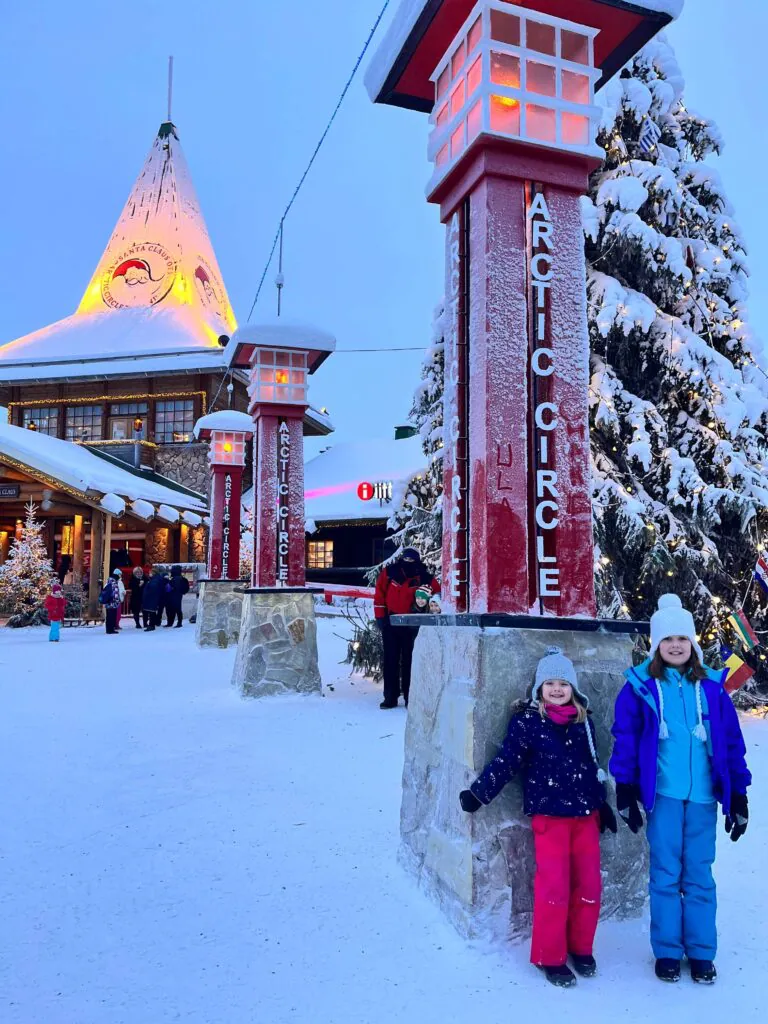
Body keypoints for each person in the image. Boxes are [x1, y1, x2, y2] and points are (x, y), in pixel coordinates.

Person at [610, 594, 752, 986]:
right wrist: (625, 788)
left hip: (705, 798)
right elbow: (625, 738)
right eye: (668, 639)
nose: (676, 645)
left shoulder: (711, 688)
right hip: (666, 797)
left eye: (683, 639)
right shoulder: (640, 688)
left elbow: (730, 742)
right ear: (657, 644)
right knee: (666, 874)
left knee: (700, 875)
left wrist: (738, 793)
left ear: (693, 644)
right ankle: (669, 951)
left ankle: (703, 952)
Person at [459, 646, 617, 989]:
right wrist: (478, 793)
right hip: (551, 818)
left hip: (585, 817)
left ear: (573, 688)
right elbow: (506, 761)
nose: (557, 689)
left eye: (563, 683)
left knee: (589, 884)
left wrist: (600, 803)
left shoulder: (583, 721)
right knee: (554, 887)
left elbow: (592, 766)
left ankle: (580, 946)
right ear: (539, 689)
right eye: (550, 683)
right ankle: (550, 955)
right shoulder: (529, 723)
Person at [373, 547, 439, 709]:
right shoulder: (389, 573)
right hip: (391, 622)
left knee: (411, 660)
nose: (408, 562)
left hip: (414, 625)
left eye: (412, 560)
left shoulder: (425, 577)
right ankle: (390, 696)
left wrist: (433, 611)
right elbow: (379, 594)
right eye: (406, 559)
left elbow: (437, 596)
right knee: (391, 660)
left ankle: (411, 696)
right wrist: (380, 616)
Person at [101, 570, 122, 635]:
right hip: (113, 603)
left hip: (108, 602)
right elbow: (115, 593)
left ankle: (108, 629)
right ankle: (111, 629)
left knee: (108, 616)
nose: (120, 576)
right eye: (120, 575)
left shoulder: (109, 581)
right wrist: (118, 601)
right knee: (112, 616)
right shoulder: (114, 582)